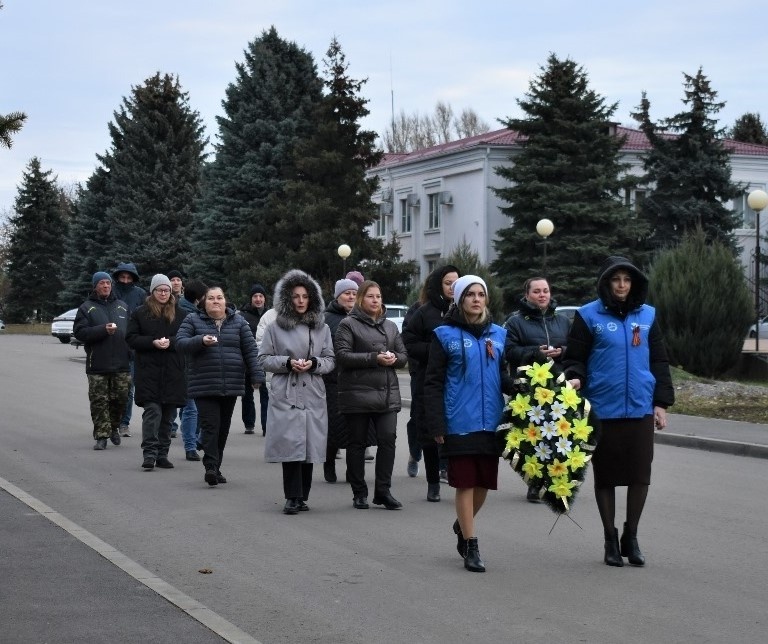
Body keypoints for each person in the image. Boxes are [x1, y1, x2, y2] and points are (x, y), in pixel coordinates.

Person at [563, 256, 674, 568]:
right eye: (616, 280)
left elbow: (659, 362)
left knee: (640, 475)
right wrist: (576, 376)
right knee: (607, 477)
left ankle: (631, 535)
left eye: (627, 279)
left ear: (634, 283)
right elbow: (575, 357)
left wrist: (661, 403)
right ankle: (610, 539)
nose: (622, 285)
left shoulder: (648, 316)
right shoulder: (588, 315)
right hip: (603, 409)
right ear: (606, 283)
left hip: (639, 407)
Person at [424, 275, 514, 572]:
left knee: (484, 483)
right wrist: (437, 424)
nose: (476, 299)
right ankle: (471, 545)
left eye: (481, 295)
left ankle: (462, 524)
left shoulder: (498, 334)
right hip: (457, 420)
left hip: (491, 421)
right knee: (465, 482)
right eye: (470, 295)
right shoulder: (443, 335)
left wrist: (522, 387)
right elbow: (433, 383)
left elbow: (502, 375)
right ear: (460, 300)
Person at [258, 270, 335, 515]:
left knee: (309, 445)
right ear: (287, 299)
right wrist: (288, 363)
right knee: (291, 446)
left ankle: (303, 496)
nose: (301, 300)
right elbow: (264, 359)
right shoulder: (274, 327)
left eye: (305, 296)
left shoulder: (322, 328)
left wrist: (313, 364)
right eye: (295, 296)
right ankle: (292, 496)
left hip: (312, 390)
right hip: (287, 390)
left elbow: (330, 359)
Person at [176, 286, 264, 486]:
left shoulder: (238, 322)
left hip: (231, 383)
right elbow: (180, 343)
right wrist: (200, 341)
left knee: (222, 428)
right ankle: (210, 466)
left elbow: (250, 350)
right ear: (203, 303)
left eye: (220, 298)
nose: (216, 301)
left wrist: (257, 375)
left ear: (225, 301)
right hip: (204, 383)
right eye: (211, 298)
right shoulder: (193, 320)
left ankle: (216, 466)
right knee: (210, 425)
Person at [334, 280, 408, 510]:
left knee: (388, 440)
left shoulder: (390, 326)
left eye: (378, 296)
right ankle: (359, 492)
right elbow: (343, 356)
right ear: (360, 300)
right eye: (370, 296)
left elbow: (404, 355)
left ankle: (383, 491)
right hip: (357, 394)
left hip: (387, 395)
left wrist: (395, 359)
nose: (376, 300)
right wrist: (374, 358)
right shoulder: (348, 324)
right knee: (357, 443)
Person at [503, 276, 571, 503]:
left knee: (558, 435)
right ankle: (534, 483)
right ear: (527, 295)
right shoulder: (516, 322)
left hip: (559, 384)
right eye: (537, 291)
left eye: (545, 291)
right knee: (534, 437)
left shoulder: (562, 321)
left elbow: (575, 349)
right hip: (530, 386)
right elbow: (509, 351)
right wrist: (535, 351)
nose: (542, 295)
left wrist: (562, 350)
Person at [401, 264, 460, 502]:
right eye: (448, 283)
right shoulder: (424, 312)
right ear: (438, 285)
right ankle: (432, 481)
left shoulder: (464, 310)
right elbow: (409, 341)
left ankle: (449, 471)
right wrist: (436, 351)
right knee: (427, 428)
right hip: (428, 379)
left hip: (456, 381)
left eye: (457, 284)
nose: (452, 288)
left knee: (454, 429)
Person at [126, 274, 187, 470]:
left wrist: (171, 342)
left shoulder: (181, 313)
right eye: (159, 290)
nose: (163, 293)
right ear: (152, 292)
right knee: (153, 412)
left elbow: (186, 338)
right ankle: (149, 453)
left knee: (168, 416)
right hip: (148, 371)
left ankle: (163, 453)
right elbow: (131, 338)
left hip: (173, 372)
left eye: (166, 290)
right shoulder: (140, 313)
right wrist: (152, 342)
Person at [73, 271, 131, 450]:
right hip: (97, 365)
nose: (106, 286)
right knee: (99, 401)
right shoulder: (86, 308)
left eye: (108, 283)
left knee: (120, 400)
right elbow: (80, 333)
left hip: (122, 364)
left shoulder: (122, 306)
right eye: (102, 283)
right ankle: (101, 435)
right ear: (95, 286)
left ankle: (114, 427)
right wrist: (102, 330)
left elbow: (132, 333)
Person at [321, 277, 359, 483]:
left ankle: (353, 470)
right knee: (333, 426)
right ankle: (329, 463)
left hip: (356, 379)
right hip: (332, 379)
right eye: (347, 293)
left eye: (354, 293)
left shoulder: (362, 316)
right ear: (338, 296)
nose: (351, 296)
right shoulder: (326, 318)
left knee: (356, 428)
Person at [112, 261, 148, 438]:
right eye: (122, 277)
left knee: (128, 388)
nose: (125, 280)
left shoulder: (140, 294)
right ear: (118, 277)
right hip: (111, 347)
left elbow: (146, 317)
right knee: (111, 388)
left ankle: (124, 423)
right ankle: (112, 422)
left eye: (128, 277)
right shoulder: (111, 292)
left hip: (132, 348)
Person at [174, 278, 207, 461]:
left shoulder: (193, 311)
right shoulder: (186, 314)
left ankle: (194, 441)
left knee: (193, 408)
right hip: (185, 367)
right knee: (191, 408)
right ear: (198, 298)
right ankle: (190, 445)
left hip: (193, 367)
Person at [239, 283, 270, 436]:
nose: (258, 299)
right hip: (247, 360)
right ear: (251, 299)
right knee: (247, 393)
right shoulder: (243, 315)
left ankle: (266, 426)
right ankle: (249, 423)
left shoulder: (269, 315)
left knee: (266, 393)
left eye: (261, 296)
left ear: (265, 298)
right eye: (255, 296)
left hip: (264, 359)